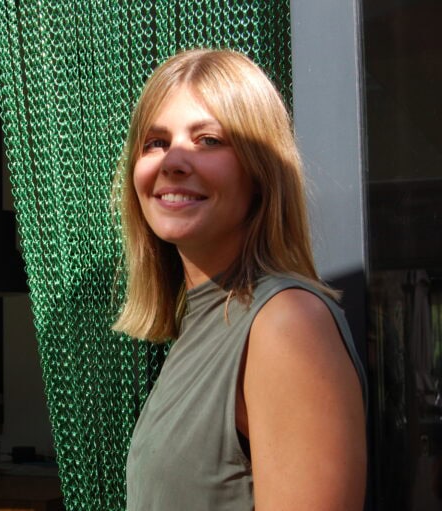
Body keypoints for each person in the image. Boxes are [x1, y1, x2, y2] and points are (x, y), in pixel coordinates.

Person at [112, 49, 367, 510]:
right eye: (156, 142)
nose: (173, 161)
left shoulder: (287, 323)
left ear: (261, 172)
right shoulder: (205, 322)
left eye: (208, 140)